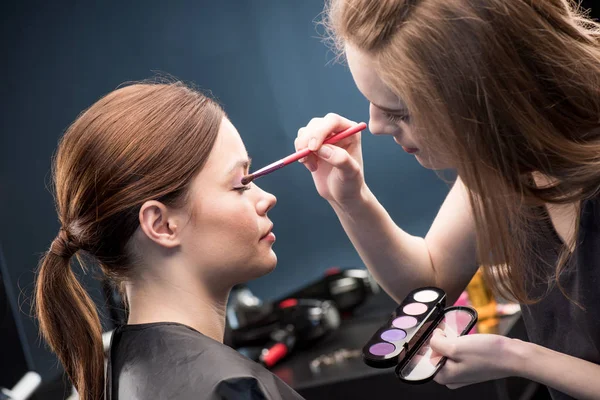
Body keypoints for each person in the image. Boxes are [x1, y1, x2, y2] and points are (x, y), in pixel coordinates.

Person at [295, 1, 600, 399]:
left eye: (400, 113)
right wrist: (349, 199)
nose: (374, 126)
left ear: (487, 98)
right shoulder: (502, 158)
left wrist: (518, 358)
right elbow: (432, 280)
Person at [34, 81, 304, 400]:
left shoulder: (112, 373)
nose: (267, 198)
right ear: (161, 224)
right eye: (240, 184)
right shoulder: (229, 390)